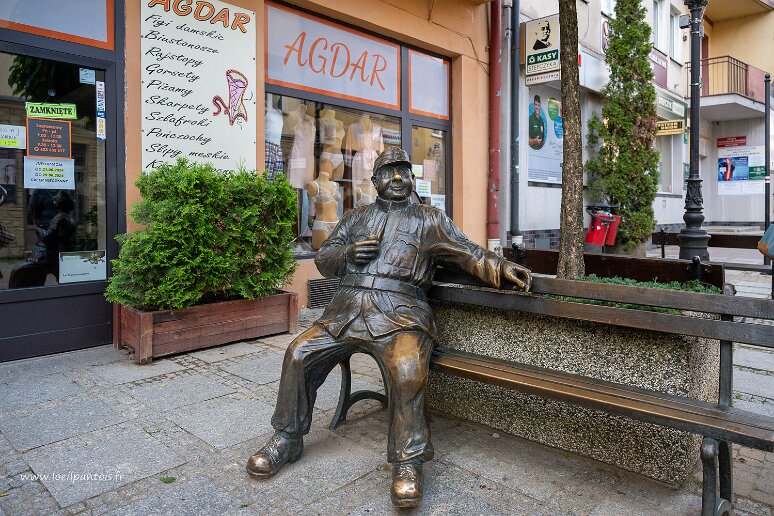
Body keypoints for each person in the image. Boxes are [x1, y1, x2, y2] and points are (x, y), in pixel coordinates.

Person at [246, 147, 533, 508]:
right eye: (389, 171)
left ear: (412, 180)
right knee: (299, 351)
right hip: (346, 311)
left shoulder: (430, 219)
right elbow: (324, 259)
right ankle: (287, 438)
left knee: (407, 369)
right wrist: (347, 254)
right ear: (376, 180)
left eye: (404, 171)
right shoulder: (354, 218)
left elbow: (469, 252)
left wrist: (500, 267)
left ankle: (408, 461)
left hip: (401, 313)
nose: (398, 177)